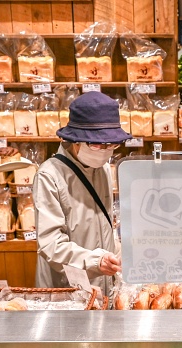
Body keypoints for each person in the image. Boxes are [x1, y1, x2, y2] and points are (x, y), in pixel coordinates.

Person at [34, 91, 130, 295]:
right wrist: (95, 260)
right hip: (68, 288)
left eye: (112, 144)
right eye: (97, 144)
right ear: (75, 140)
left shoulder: (102, 167)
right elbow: (50, 244)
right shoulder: (49, 175)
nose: (105, 150)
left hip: (103, 283)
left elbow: (103, 223)